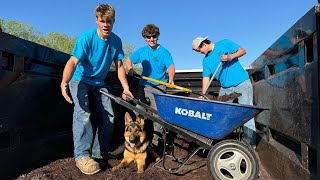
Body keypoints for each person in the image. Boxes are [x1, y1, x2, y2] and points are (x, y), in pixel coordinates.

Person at [60, 4, 132, 175]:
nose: (106, 24)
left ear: (114, 21)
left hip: (99, 83)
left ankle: (99, 153)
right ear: (97, 20)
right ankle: (81, 156)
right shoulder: (86, 38)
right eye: (102, 21)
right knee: (83, 114)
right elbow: (72, 62)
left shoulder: (116, 41)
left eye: (109, 21)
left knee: (110, 117)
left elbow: (120, 66)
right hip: (80, 80)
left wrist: (126, 88)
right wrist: (64, 83)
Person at [192, 36, 256, 149]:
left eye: (199, 50)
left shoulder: (224, 43)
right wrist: (203, 94)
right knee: (219, 115)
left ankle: (250, 146)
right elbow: (206, 78)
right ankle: (222, 144)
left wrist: (231, 56)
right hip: (225, 88)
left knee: (247, 114)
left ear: (203, 44)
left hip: (241, 82)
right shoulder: (206, 60)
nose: (200, 53)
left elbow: (243, 51)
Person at [125, 24, 175, 149]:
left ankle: (155, 144)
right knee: (138, 112)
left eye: (154, 36)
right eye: (148, 37)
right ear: (145, 38)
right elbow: (128, 60)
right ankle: (138, 140)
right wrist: (130, 69)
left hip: (159, 87)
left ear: (157, 36)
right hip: (143, 86)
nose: (151, 39)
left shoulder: (164, 52)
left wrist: (171, 78)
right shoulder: (142, 51)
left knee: (158, 116)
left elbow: (171, 67)